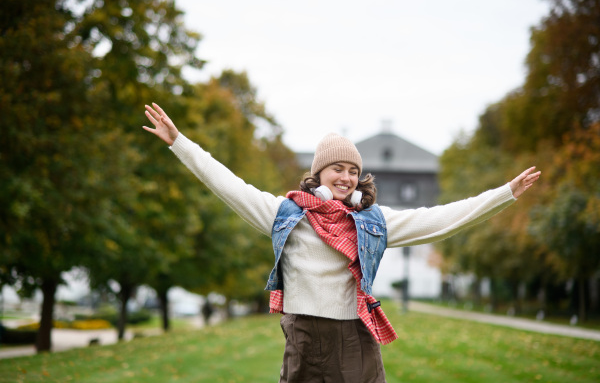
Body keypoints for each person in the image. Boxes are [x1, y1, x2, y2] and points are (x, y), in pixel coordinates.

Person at [143, 102, 541, 383]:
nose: (347, 177)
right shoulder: (285, 213)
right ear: (319, 174)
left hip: (354, 336)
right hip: (303, 333)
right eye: (338, 168)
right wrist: (180, 142)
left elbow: (440, 221)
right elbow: (228, 185)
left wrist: (504, 193)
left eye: (353, 171)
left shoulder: (371, 221)